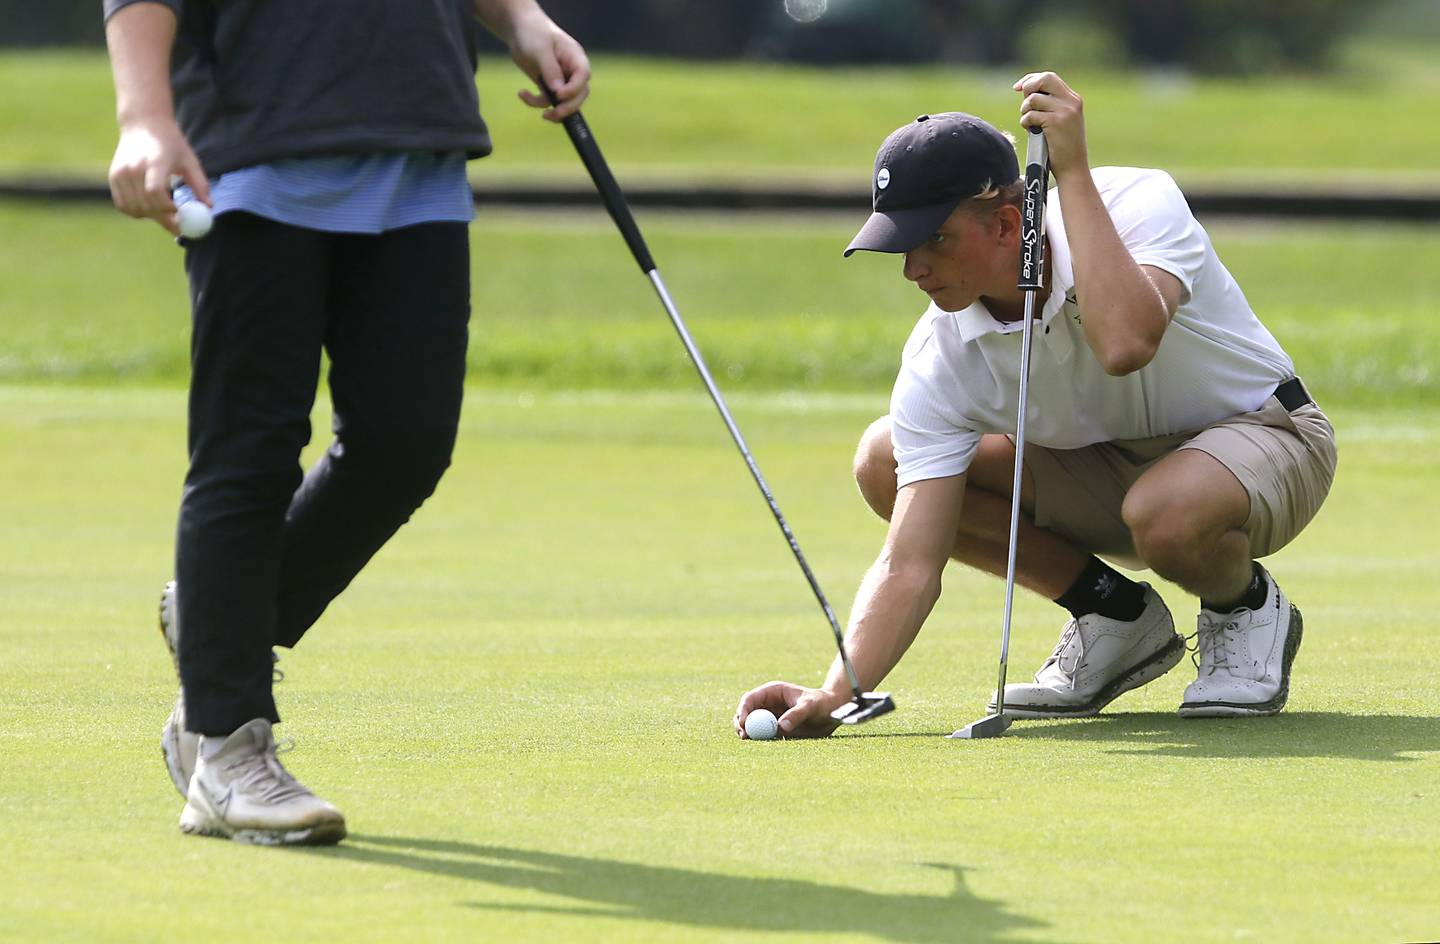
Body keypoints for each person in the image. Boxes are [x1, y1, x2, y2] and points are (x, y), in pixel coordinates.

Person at [104, 0, 591, 844]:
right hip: (253, 153)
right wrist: (143, 115)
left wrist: (520, 20)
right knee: (249, 454)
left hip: (417, 143)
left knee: (405, 444)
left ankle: (218, 621)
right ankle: (225, 748)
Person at [734, 72, 1337, 739]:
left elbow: (1126, 343)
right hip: (1107, 473)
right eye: (902, 247)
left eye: (934, 240)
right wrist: (838, 692)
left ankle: (1243, 604)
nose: (914, 270)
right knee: (887, 460)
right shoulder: (942, 355)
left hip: (1266, 434)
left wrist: (1072, 172)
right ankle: (1113, 617)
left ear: (1005, 222)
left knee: (1164, 512)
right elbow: (909, 563)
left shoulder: (1136, 201)